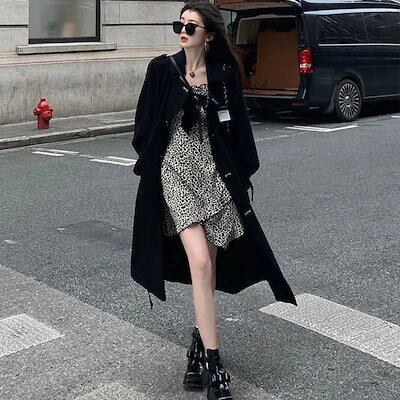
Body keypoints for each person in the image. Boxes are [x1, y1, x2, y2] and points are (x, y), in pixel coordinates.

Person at [130, 1, 297, 399]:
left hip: (215, 175)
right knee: (200, 262)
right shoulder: (162, 70)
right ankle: (214, 363)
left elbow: (238, 129)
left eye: (191, 26)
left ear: (208, 35)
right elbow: (143, 127)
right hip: (176, 173)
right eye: (180, 25)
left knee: (210, 267)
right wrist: (156, 164)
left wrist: (241, 175)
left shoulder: (223, 75)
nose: (183, 32)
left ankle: (196, 348)